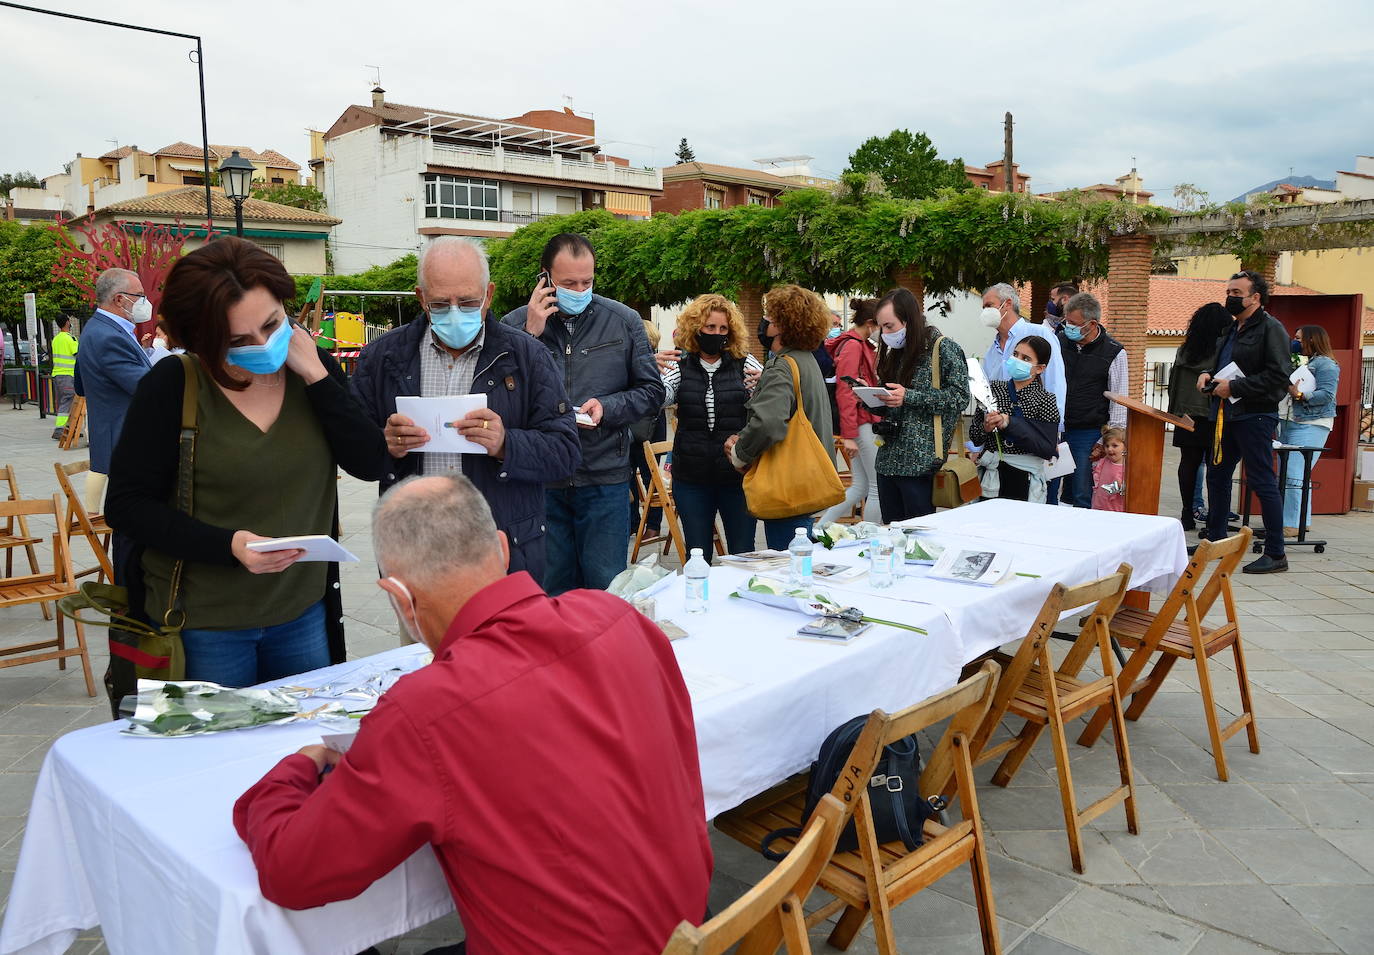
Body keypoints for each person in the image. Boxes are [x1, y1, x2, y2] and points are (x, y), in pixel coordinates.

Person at [233, 474, 713, 953]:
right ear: (502, 549)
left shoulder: (425, 708)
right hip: (694, 929)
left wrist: (302, 763)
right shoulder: (616, 615)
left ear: (399, 598)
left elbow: (290, 873)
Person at [105, 237, 388, 686]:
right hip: (202, 623)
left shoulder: (312, 370)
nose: (262, 345)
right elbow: (126, 505)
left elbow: (371, 462)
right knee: (216, 753)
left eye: (273, 325)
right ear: (201, 337)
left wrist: (315, 375)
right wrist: (228, 546)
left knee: (303, 750)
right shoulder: (174, 385)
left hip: (303, 613)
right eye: (237, 340)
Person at [352, 237, 579, 589]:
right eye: (441, 303)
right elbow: (357, 457)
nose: (455, 312)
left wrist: (506, 443)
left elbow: (565, 452)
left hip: (503, 550)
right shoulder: (382, 358)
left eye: (469, 302)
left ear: (488, 294)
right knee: (424, 646)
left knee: (502, 644)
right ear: (420, 298)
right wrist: (385, 446)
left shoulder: (527, 357)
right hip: (416, 552)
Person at [503, 233, 664, 594]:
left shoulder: (622, 320)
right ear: (544, 278)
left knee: (605, 592)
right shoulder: (514, 327)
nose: (579, 290)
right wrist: (531, 336)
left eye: (587, 282)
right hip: (541, 482)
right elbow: (501, 402)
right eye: (568, 283)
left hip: (604, 478)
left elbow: (652, 392)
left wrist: (608, 407)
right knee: (550, 592)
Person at [725, 285, 834, 548]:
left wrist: (739, 452)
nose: (765, 324)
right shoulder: (806, 360)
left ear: (783, 326)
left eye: (770, 319)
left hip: (787, 483)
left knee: (788, 565)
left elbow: (768, 423)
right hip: (808, 477)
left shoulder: (782, 366)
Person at [1198, 270, 1292, 573]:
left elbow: (1278, 376)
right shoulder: (1230, 329)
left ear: (1255, 297)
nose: (1230, 297)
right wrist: (1209, 376)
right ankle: (1216, 540)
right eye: (1229, 291)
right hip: (1225, 415)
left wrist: (1235, 388)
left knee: (1262, 481)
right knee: (1217, 476)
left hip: (1255, 416)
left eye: (1237, 293)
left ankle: (1276, 553)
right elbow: (1224, 365)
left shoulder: (1271, 329)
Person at [657, 294, 763, 554]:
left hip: (736, 475)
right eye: (710, 327)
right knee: (697, 553)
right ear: (696, 328)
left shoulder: (745, 363)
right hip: (692, 477)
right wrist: (647, 373)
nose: (717, 333)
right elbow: (660, 397)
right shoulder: (680, 365)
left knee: (743, 552)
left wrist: (765, 385)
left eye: (723, 328)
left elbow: (765, 405)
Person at [868, 287, 970, 521]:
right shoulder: (895, 352)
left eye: (889, 326)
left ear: (909, 320)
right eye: (881, 326)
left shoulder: (943, 348)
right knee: (891, 535)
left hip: (920, 462)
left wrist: (910, 397)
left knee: (919, 538)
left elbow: (959, 397)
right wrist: (871, 397)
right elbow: (891, 401)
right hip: (887, 460)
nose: (884, 333)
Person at [74, 268, 154, 513]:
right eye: (139, 295)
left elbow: (80, 382)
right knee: (134, 512)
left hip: (112, 427)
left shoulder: (97, 328)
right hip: (124, 433)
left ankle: (93, 515)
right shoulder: (108, 335)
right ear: (120, 299)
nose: (145, 302)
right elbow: (144, 386)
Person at [968, 334, 1059, 502]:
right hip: (991, 477)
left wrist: (1009, 423)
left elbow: (1047, 448)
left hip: (1024, 478)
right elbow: (974, 436)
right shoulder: (993, 389)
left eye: (1025, 358)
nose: (1017, 360)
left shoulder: (1046, 400)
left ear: (1040, 368)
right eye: (1015, 354)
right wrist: (986, 428)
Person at [1057, 292, 1127, 508]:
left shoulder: (1114, 352)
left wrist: (1104, 440)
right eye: (1065, 321)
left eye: (1073, 323)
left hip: (1088, 432)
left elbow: (1119, 401)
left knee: (1082, 492)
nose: (1067, 327)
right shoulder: (1059, 342)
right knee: (1054, 490)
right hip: (1057, 428)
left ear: (1092, 324)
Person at [818, 298, 882, 524]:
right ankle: (872, 537)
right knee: (876, 489)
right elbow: (845, 391)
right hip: (861, 423)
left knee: (861, 487)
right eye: (882, 325)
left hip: (858, 423)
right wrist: (849, 435)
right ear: (871, 323)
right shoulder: (855, 346)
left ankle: (821, 528)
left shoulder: (854, 343)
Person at [1167, 303, 1229, 531]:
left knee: (1188, 463)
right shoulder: (1222, 353)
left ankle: (1186, 513)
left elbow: (1174, 383)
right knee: (1216, 466)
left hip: (1186, 414)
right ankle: (1215, 517)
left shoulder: (1185, 350)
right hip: (1214, 415)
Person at [1280, 325, 1341, 537]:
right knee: (1296, 475)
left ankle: (1291, 523)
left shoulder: (1326, 364)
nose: (1294, 342)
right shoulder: (1308, 361)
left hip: (1310, 423)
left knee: (1294, 475)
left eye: (1298, 338)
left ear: (1312, 340)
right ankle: (1300, 521)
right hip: (1291, 421)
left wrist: (1300, 395)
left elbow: (1327, 394)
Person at [982, 283, 1066, 427]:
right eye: (983, 308)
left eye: (989, 305)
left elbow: (1055, 383)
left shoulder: (1040, 334)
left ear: (1007, 303)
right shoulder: (991, 351)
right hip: (1001, 433)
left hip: (1035, 428)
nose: (985, 312)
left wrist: (1054, 430)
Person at [630, 320, 668, 539]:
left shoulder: (658, 363)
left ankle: (650, 525)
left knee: (649, 477)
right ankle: (637, 524)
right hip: (636, 426)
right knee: (633, 478)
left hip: (650, 428)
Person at [50, 314, 79, 440]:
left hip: (57, 375)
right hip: (68, 375)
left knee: (64, 401)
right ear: (67, 322)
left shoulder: (56, 339)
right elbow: (78, 354)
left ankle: (70, 428)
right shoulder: (70, 339)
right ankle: (60, 429)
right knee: (68, 401)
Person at [1091, 426, 1127, 512]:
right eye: (1107, 446)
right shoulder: (1103, 462)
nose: (1110, 449)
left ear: (1126, 446)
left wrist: (1121, 487)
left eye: (1114, 446)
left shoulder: (1128, 468)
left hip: (1115, 510)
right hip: (1099, 506)